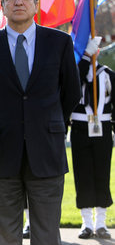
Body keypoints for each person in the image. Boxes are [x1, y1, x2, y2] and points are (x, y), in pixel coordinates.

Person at [0, 0, 81, 245]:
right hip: (1, 154)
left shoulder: (59, 43)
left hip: (47, 152)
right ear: (3, 6)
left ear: (35, 4)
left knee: (46, 235)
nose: (18, 2)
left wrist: (46, 123)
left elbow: (71, 93)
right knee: (3, 236)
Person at [70, 36, 114, 239]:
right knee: (83, 175)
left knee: (102, 175)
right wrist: (84, 58)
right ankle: (86, 223)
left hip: (102, 128)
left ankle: (101, 223)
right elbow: (72, 86)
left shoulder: (107, 75)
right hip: (80, 128)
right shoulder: (76, 72)